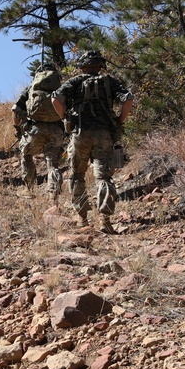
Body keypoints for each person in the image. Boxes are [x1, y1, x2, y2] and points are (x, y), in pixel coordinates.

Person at [51, 50, 134, 233]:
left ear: (83, 66)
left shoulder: (75, 82)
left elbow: (55, 98)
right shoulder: (109, 82)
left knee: (77, 175)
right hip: (104, 134)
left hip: (80, 134)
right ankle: (105, 219)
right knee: (103, 176)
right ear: (100, 66)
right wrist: (120, 120)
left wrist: (65, 118)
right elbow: (128, 99)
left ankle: (82, 219)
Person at [11, 62, 65, 200]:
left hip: (35, 129)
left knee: (26, 154)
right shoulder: (61, 90)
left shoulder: (30, 89)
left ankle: (29, 189)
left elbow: (15, 110)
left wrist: (18, 129)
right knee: (53, 163)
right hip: (56, 130)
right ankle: (54, 194)